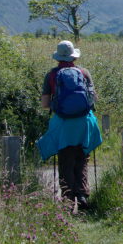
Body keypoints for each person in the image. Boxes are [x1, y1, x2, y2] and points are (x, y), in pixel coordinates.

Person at [37, 40, 103, 210]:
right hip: (84, 123)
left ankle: (68, 199)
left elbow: (45, 104)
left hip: (63, 124)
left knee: (66, 159)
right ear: (74, 57)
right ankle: (82, 195)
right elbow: (93, 99)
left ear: (57, 57)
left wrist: (58, 104)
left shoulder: (51, 75)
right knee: (82, 157)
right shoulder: (84, 72)